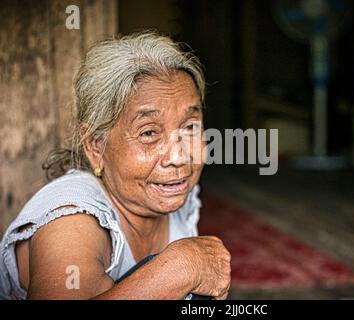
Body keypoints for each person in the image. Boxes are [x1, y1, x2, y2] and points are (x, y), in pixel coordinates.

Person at [0, 31, 231, 300]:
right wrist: (181, 268)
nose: (179, 157)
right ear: (96, 147)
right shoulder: (71, 220)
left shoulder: (175, 197)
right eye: (148, 133)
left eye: (190, 127)